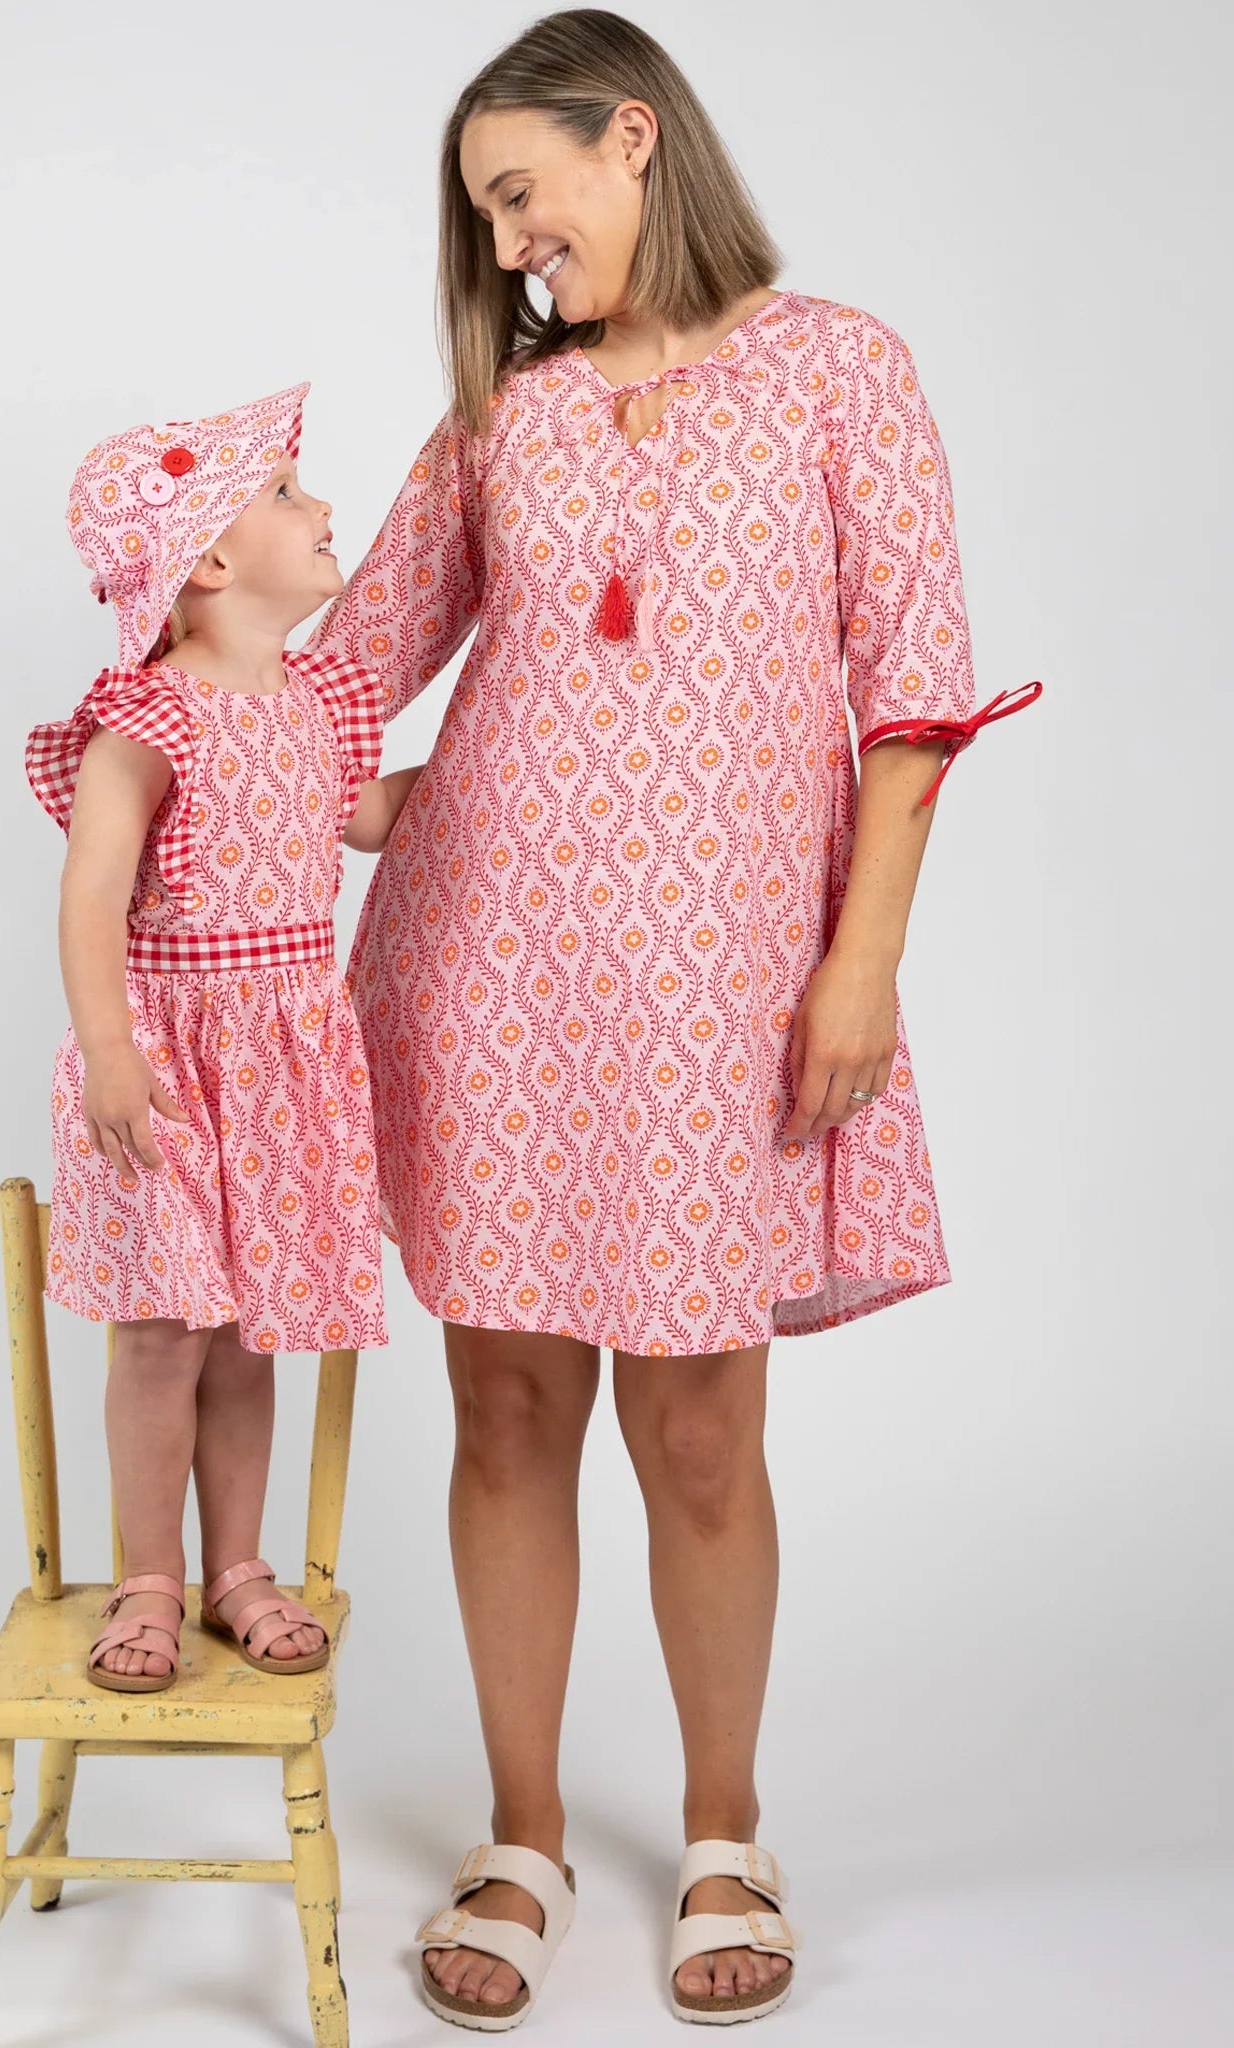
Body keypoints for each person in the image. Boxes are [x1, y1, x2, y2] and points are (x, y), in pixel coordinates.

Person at [303, 9, 1039, 2029]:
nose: (515, 248)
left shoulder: (840, 371)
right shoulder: (505, 421)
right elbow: (354, 666)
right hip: (494, 972)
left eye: (523, 198)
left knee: (702, 1422)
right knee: (509, 1407)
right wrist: (179, 722)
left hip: (729, 989)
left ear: (634, 137)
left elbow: (915, 693)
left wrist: (863, 955)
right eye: (486, 224)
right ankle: (522, 1831)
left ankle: (727, 1826)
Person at [26, 383, 419, 1694]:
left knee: (249, 1328)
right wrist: (110, 1048)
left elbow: (363, 818)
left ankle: (237, 1564)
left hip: (290, 1054)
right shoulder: (152, 714)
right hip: (171, 1051)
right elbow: (91, 891)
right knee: (160, 1329)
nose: (323, 510)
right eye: (289, 494)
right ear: (207, 560)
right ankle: (150, 1574)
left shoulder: (319, 697)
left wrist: (511, 749)